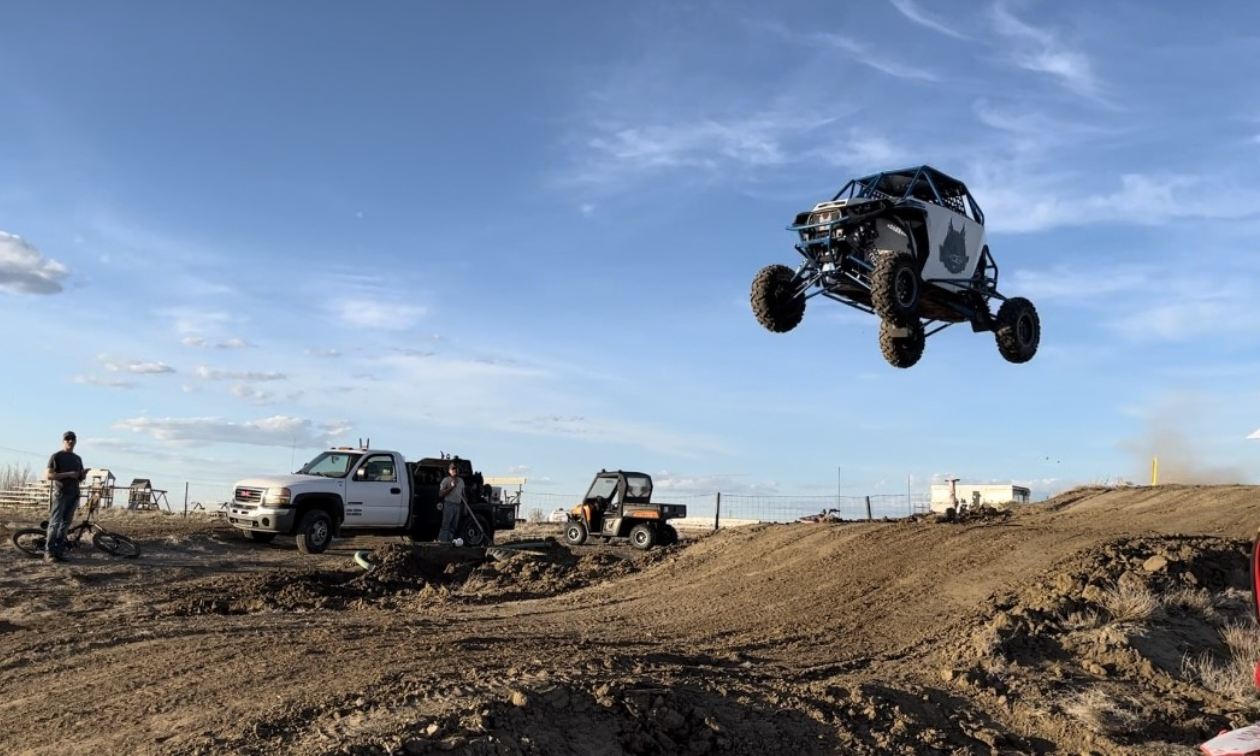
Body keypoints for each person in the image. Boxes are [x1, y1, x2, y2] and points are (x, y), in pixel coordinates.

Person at [45, 430, 87, 563]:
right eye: (67, 439)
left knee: (65, 525)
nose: (70, 441)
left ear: (76, 441)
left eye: (72, 439)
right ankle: (49, 552)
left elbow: (78, 478)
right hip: (61, 494)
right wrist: (68, 474)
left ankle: (59, 552)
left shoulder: (77, 458)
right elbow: (49, 475)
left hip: (74, 494)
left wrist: (82, 475)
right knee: (55, 524)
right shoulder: (56, 456)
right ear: (63, 441)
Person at [436, 462, 465, 546]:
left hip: (458, 505)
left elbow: (463, 494)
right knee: (446, 525)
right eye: (453, 469)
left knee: (453, 526)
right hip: (449, 504)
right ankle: (442, 543)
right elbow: (440, 494)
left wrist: (465, 507)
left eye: (456, 469)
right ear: (449, 471)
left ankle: (449, 542)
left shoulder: (461, 481)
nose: (455, 471)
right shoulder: (446, 480)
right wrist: (451, 487)